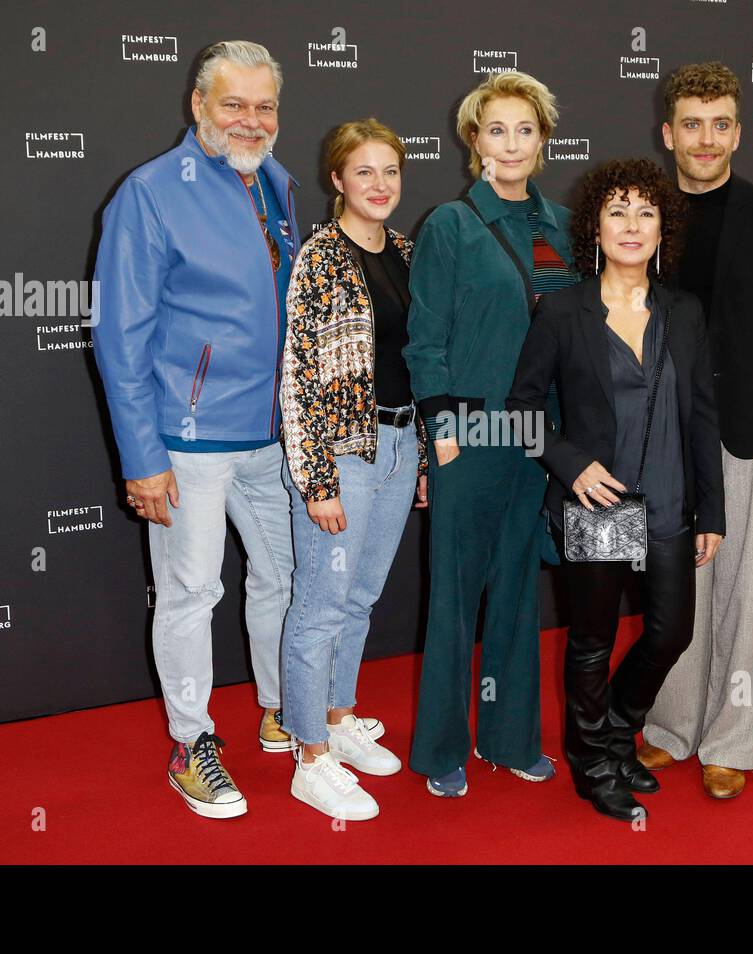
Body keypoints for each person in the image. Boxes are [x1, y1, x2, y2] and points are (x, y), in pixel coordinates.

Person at [90, 41, 380, 820]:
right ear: (198, 106)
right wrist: (143, 456)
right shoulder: (150, 193)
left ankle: (285, 709)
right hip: (186, 441)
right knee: (189, 592)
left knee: (285, 583)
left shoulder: (279, 185)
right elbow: (119, 335)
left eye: (265, 107)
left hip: (275, 437)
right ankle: (192, 744)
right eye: (233, 104)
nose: (250, 121)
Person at [506, 158, 724, 821]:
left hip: (668, 499)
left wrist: (712, 507)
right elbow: (520, 411)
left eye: (647, 212)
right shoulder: (564, 310)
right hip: (599, 504)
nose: (633, 225)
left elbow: (704, 412)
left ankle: (616, 729)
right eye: (618, 212)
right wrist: (571, 464)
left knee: (671, 634)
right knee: (593, 640)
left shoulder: (684, 311)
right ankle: (592, 757)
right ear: (594, 229)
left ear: (664, 228)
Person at [636, 62, 753, 800]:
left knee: (751, 590)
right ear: (668, 133)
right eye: (692, 124)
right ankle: (672, 725)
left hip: (751, 428)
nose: (705, 139)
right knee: (677, 583)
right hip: (662, 433)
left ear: (737, 132)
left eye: (720, 124)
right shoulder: (641, 213)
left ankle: (733, 740)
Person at [404, 71, 577, 797]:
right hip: (470, 434)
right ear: (473, 141)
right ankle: (441, 747)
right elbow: (425, 338)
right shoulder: (450, 224)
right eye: (496, 129)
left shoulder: (565, 223)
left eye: (525, 129)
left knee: (516, 590)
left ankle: (508, 738)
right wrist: (441, 430)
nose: (511, 143)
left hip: (543, 435)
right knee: (453, 594)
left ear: (543, 139)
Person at [279, 120, 428, 821]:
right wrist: (318, 480)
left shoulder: (405, 250)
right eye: (364, 172)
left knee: (362, 595)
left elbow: (418, 362)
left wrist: (422, 453)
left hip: (398, 447)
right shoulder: (319, 258)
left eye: (390, 171)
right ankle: (310, 757)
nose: (380, 185)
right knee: (319, 609)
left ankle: (339, 717)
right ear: (336, 180)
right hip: (341, 455)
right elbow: (298, 376)